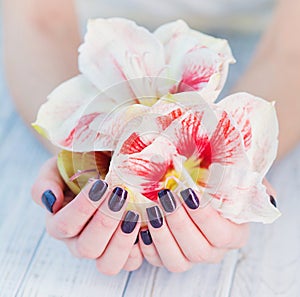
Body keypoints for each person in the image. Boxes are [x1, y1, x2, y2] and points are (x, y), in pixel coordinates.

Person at [2, 0, 299, 275]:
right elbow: (39, 20)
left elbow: (290, 51)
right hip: (103, 49)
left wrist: (249, 162)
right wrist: (89, 159)